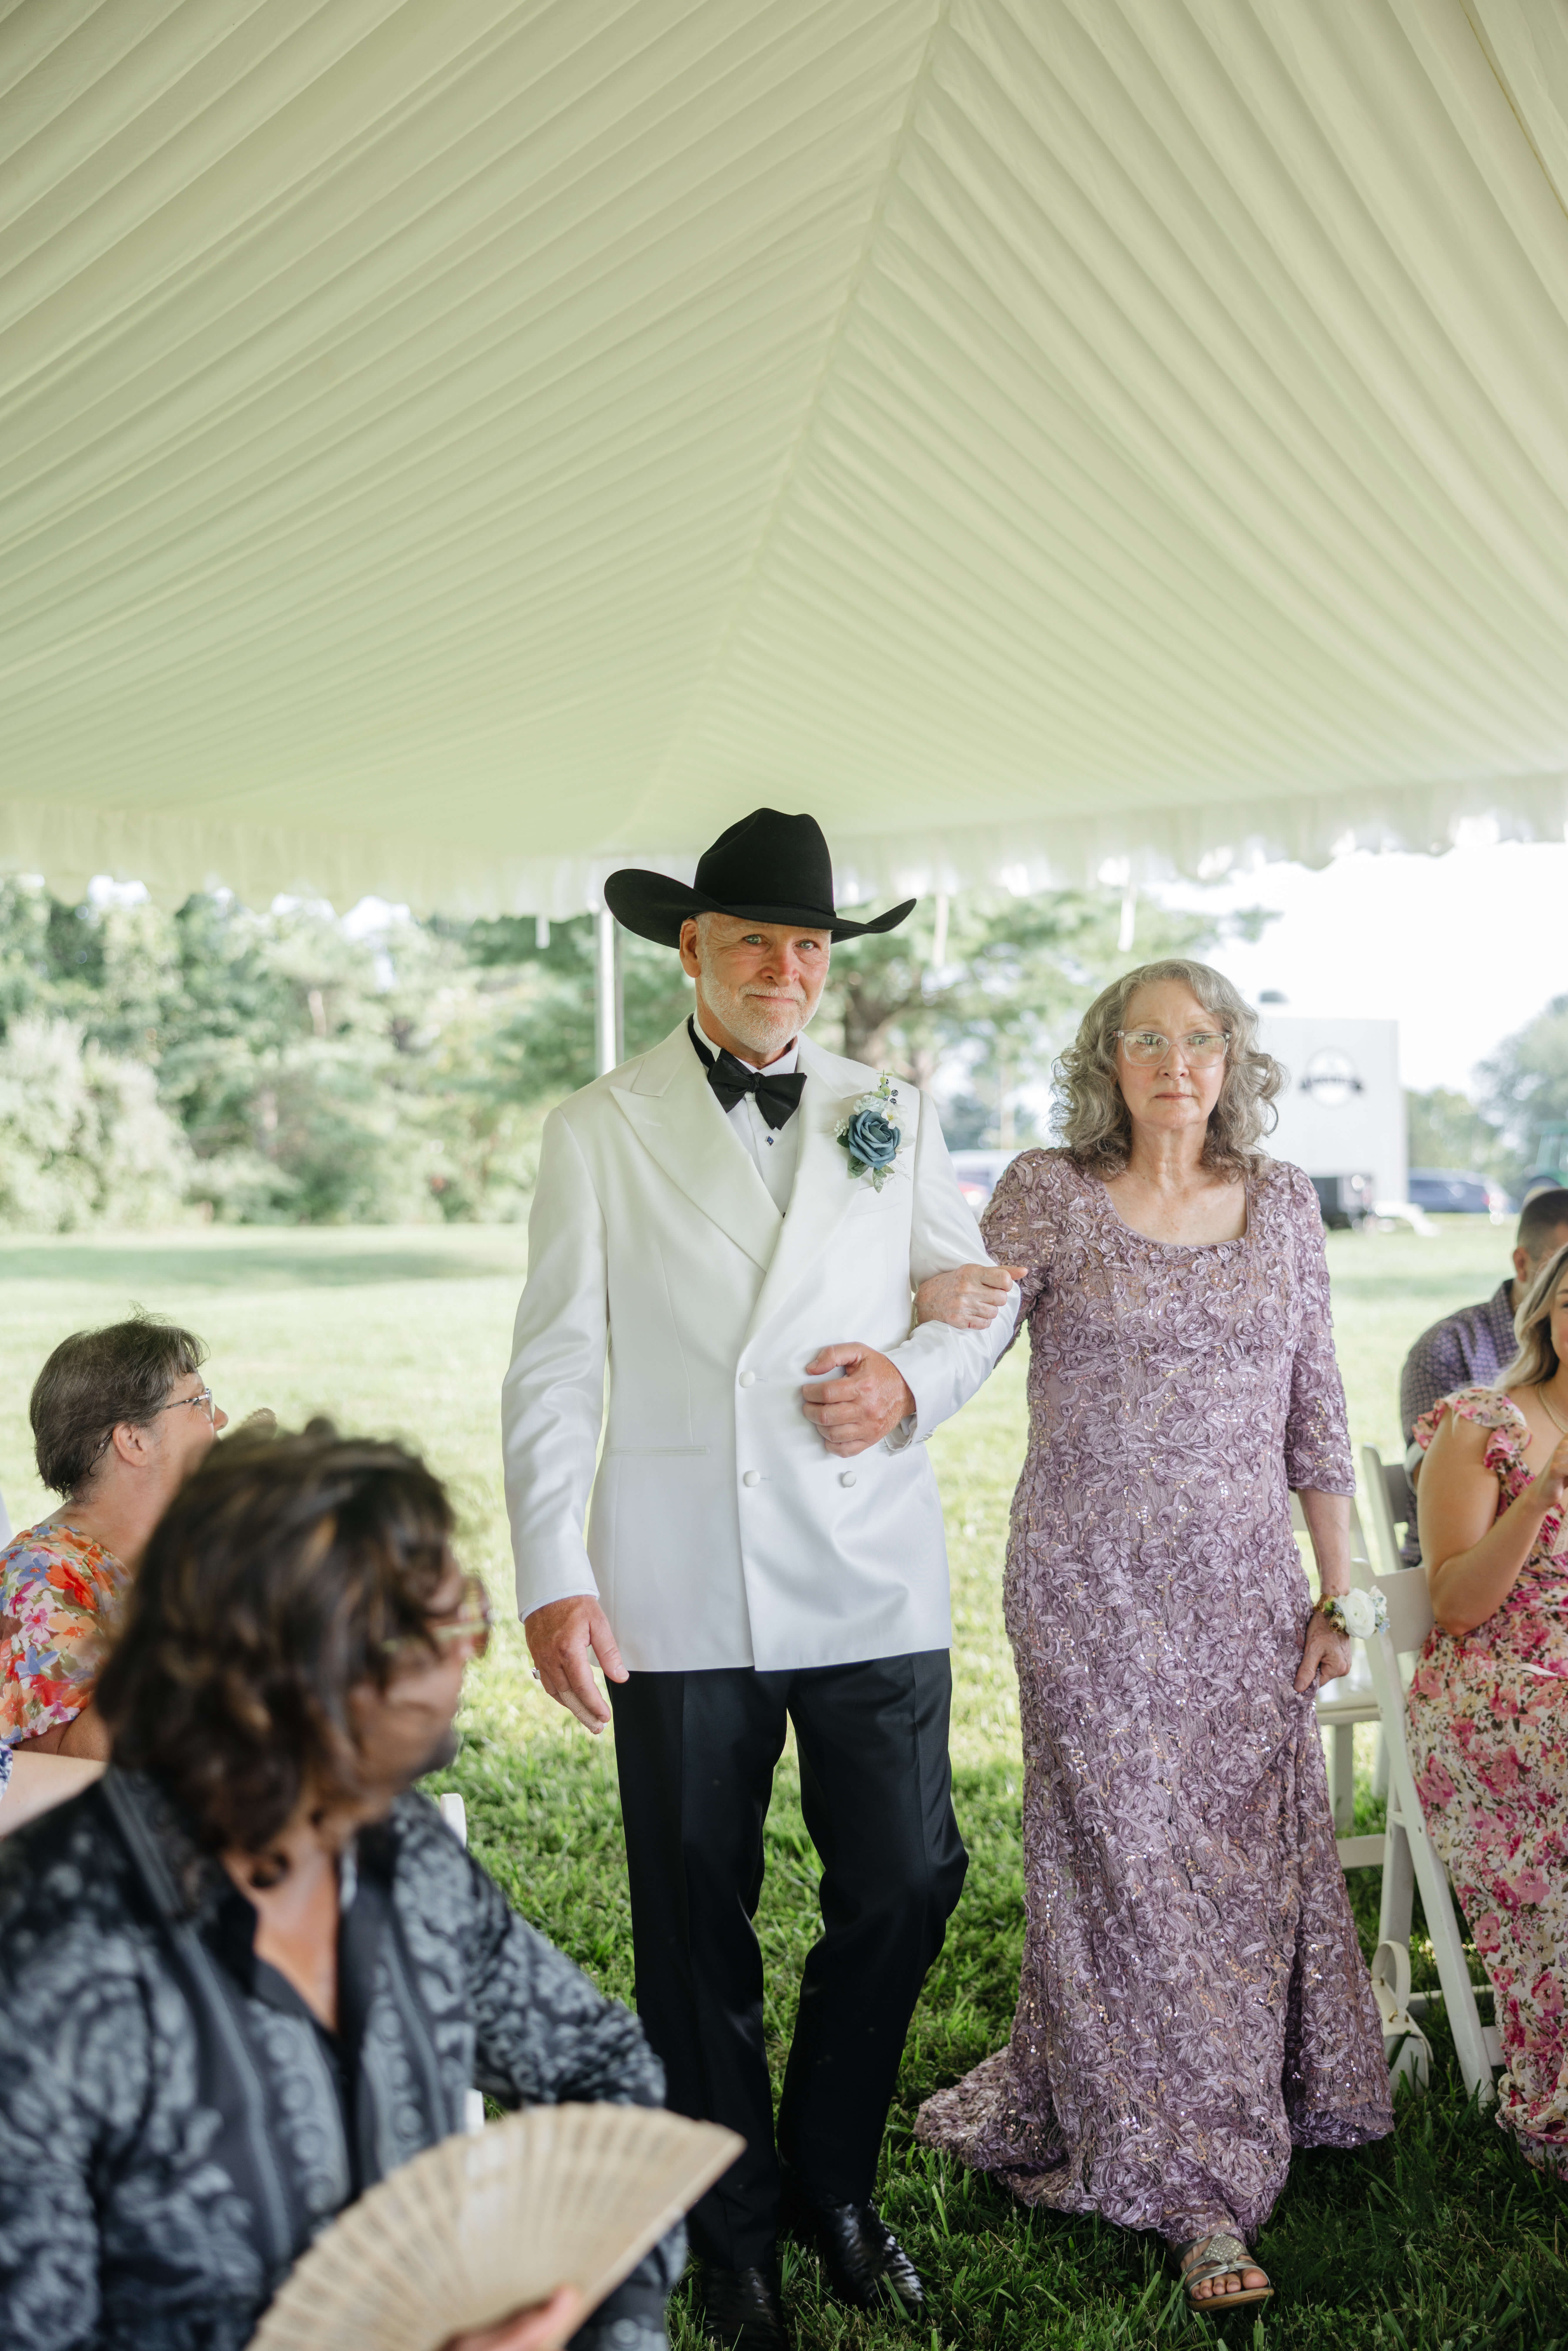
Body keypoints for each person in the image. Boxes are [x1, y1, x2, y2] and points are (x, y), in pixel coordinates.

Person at [503, 809, 1021, 2350]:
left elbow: (979, 1299)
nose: (787, 971)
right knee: (692, 1916)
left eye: (809, 946)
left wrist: (913, 1382)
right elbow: (553, 1367)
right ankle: (730, 2229)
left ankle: (835, 2186)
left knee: (908, 1881)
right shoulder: (599, 1127)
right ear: (694, 952)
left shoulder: (889, 1112)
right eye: (756, 944)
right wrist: (551, 1574)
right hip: (677, 1580)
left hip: (865, 1563)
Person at [914, 958, 1392, 2312]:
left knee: (1229, 1879)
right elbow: (956, 1342)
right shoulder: (1047, 1193)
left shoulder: (1286, 1201)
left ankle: (1225, 2097)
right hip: (1088, 1593)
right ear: (1107, 1060)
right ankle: (1192, 2189)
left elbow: (1316, 1399)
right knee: (1122, 1866)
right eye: (1148, 1039)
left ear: (1236, 1058)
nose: (1177, 1061)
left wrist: (1336, 1588)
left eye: (1202, 1038)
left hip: (1245, 1596)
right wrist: (884, 1349)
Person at [0, 1423, 681, 2351]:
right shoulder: (50, 1959)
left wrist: (598, 2321)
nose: (465, 1658)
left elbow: (603, 2072)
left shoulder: (402, 1859)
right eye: (427, 1629)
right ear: (261, 1663)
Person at [1405, 1240, 1568, 2172]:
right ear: (1545, 1310)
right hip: (1497, 1686)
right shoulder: (1483, 1423)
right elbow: (1459, 1605)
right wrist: (1543, 1491)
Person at [0, 1315, 227, 1759]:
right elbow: (65, 1778)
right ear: (133, 1441)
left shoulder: (180, 1549)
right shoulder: (40, 1578)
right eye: (198, 1401)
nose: (219, 1417)